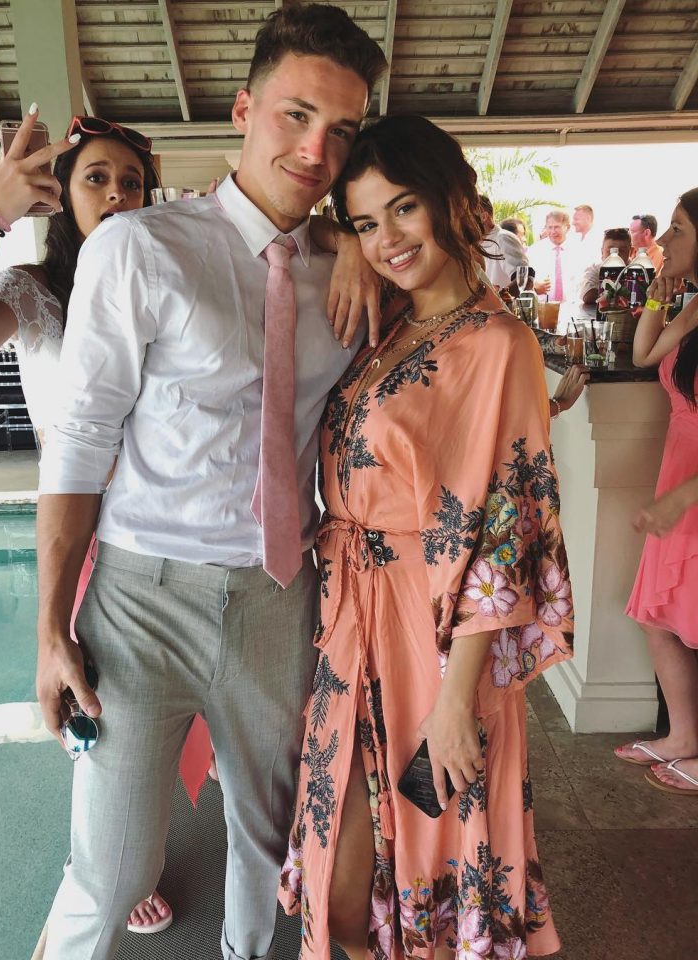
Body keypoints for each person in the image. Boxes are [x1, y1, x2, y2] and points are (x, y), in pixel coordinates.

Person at [34, 4, 388, 959]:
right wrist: (50, 629)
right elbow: (80, 442)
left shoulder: (348, 268)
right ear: (243, 108)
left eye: (341, 129)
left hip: (280, 596)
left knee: (270, 845)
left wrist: (357, 240)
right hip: (141, 599)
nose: (316, 149)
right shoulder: (140, 248)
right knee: (110, 871)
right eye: (296, 115)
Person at [279, 115, 574, 960]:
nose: (388, 240)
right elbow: (303, 229)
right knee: (338, 875)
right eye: (367, 222)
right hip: (352, 621)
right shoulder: (389, 320)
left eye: (403, 208)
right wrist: (345, 242)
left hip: (435, 640)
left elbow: (504, 534)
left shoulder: (499, 344)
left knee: (433, 847)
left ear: (453, 199)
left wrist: (455, 706)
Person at [0, 106, 194, 935]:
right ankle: (114, 856)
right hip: (83, 534)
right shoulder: (34, 290)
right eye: (97, 178)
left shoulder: (166, 282)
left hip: (169, 525)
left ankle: (145, 834)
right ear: (63, 195)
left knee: (175, 701)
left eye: (132, 182)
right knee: (99, 704)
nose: (117, 193)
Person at [616, 190, 698, 796]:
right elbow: (644, 352)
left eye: (678, 229)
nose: (664, 240)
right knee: (656, 615)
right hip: (680, 475)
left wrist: (681, 497)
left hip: (690, 489)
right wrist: (656, 293)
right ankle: (684, 736)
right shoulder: (694, 306)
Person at [478, 195, 528, 291]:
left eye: (466, 217)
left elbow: (523, 278)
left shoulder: (503, 238)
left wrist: (499, 296)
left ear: (483, 217)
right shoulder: (473, 244)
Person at [529, 209, 579, 302]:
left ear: (567, 227)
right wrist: (533, 285)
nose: (553, 231)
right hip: (543, 306)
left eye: (557, 227)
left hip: (572, 305)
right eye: (549, 227)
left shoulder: (578, 250)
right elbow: (526, 279)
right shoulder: (534, 250)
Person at [579, 227, 632, 306]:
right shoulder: (595, 269)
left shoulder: (638, 271)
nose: (616, 255)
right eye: (610, 251)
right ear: (602, 252)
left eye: (621, 251)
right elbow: (587, 295)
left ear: (630, 252)